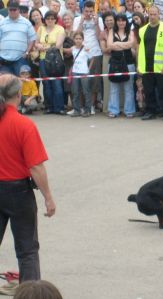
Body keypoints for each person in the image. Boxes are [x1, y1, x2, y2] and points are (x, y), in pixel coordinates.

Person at [0, 73, 56, 283]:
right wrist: (48, 197)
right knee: (27, 250)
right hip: (18, 192)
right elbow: (35, 167)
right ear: (18, 94)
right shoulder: (24, 125)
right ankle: (30, 294)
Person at [137, 5, 163, 121]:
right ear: (147, 14)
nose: (152, 16)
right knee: (148, 90)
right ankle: (150, 110)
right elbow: (139, 48)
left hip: (161, 66)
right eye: (150, 14)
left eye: (155, 14)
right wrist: (139, 65)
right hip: (146, 66)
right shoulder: (142, 30)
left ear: (159, 15)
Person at [73, 0, 105, 115]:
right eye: (86, 11)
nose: (88, 13)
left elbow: (100, 37)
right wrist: (82, 21)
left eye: (91, 11)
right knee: (82, 82)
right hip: (81, 54)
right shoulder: (77, 19)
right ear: (83, 10)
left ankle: (91, 105)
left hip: (95, 53)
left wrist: (96, 23)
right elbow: (75, 35)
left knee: (94, 82)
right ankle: (81, 106)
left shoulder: (99, 19)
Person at [35, 10, 66, 115]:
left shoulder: (60, 29)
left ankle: (59, 107)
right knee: (46, 83)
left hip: (56, 59)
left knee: (57, 83)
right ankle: (49, 107)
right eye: (48, 18)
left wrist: (43, 47)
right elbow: (36, 42)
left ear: (56, 19)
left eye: (52, 18)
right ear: (45, 19)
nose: (50, 20)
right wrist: (40, 46)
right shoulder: (41, 28)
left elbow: (57, 45)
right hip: (43, 59)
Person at [107, 13, 136, 118]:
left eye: (123, 20)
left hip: (128, 63)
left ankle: (129, 111)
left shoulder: (130, 32)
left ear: (126, 21)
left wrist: (117, 44)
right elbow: (109, 46)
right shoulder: (111, 31)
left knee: (128, 88)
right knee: (114, 88)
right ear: (116, 22)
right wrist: (123, 45)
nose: (121, 22)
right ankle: (113, 110)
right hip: (114, 63)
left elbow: (130, 44)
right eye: (118, 20)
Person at [0, 0, 36, 76]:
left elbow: (32, 39)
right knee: (5, 85)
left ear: (18, 9)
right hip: (4, 59)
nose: (12, 11)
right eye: (10, 9)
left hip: (20, 59)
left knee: (21, 84)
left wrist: (27, 52)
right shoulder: (2, 23)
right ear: (8, 10)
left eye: (14, 9)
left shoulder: (26, 22)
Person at [67, 31, 94, 117]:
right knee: (75, 92)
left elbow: (92, 59)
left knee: (86, 91)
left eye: (80, 38)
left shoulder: (86, 48)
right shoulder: (73, 48)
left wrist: (88, 69)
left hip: (84, 73)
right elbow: (66, 51)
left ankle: (87, 110)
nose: (78, 40)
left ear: (82, 39)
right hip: (75, 72)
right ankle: (76, 110)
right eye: (76, 38)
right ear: (74, 39)